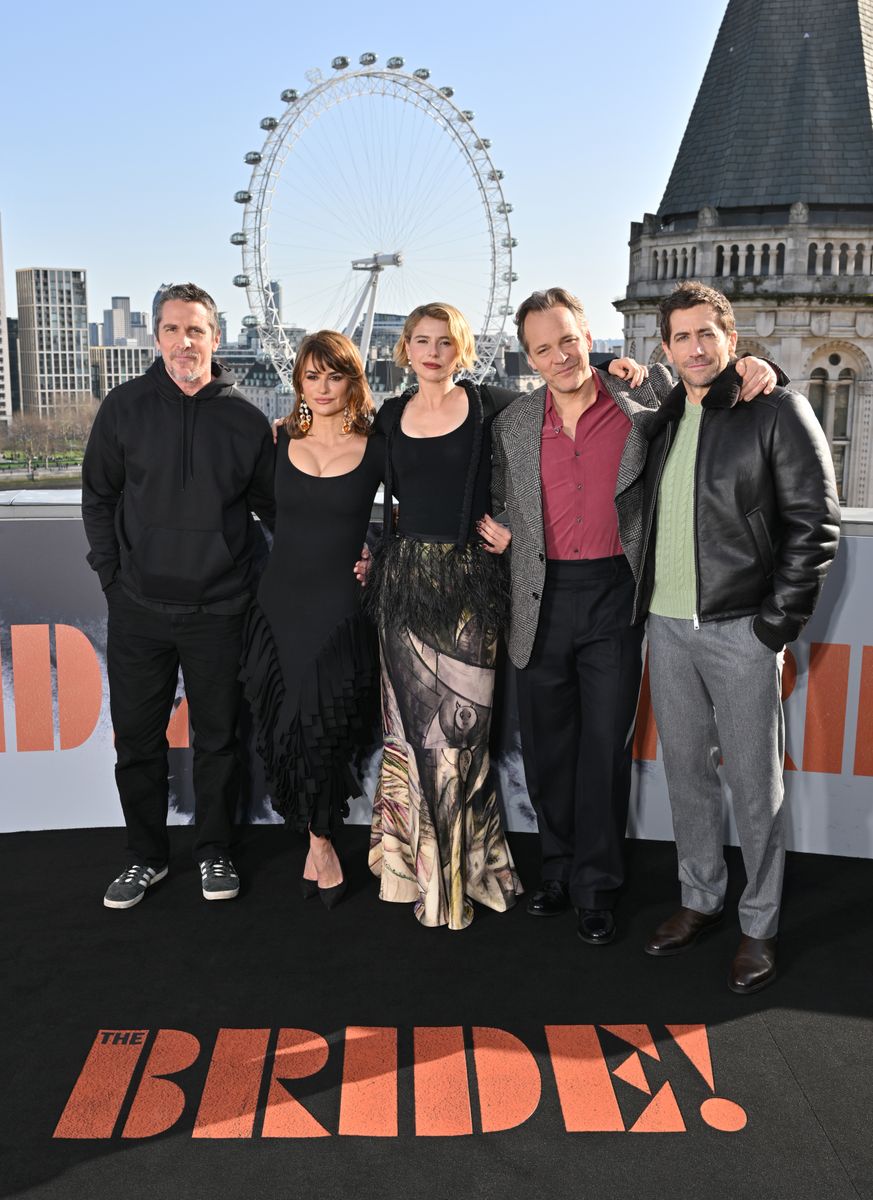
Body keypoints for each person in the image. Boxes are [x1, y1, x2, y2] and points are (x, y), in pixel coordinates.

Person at [491, 287, 778, 947]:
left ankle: (596, 886)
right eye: (543, 347)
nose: (560, 355)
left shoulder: (644, 405)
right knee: (547, 752)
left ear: (586, 333)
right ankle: (556, 872)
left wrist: (764, 367)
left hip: (613, 596)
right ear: (528, 358)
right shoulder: (511, 422)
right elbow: (507, 498)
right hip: (538, 601)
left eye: (567, 339)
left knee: (602, 754)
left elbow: (716, 387)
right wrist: (506, 526)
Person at [616, 281, 840, 993]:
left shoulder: (774, 409)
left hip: (739, 629)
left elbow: (816, 527)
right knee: (685, 775)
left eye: (705, 334)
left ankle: (758, 924)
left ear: (730, 338)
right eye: (680, 336)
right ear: (665, 347)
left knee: (754, 785)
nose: (695, 347)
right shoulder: (660, 415)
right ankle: (699, 899)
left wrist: (771, 627)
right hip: (665, 626)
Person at [82, 282, 276, 909]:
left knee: (219, 739)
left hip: (219, 611)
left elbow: (274, 509)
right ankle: (145, 857)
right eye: (172, 329)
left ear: (215, 339)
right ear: (157, 336)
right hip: (139, 608)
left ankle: (215, 851)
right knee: (137, 740)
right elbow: (99, 495)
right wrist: (111, 576)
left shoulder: (246, 419)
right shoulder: (124, 407)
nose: (183, 341)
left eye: (196, 330)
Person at [240, 331, 383, 908]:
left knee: (326, 731)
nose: (322, 388)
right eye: (312, 376)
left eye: (335, 376)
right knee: (282, 730)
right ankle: (317, 842)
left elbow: (415, 509)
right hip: (279, 606)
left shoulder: (379, 445)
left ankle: (320, 839)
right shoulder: (278, 443)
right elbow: (260, 507)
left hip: (338, 608)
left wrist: (374, 548)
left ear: (353, 381)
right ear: (298, 380)